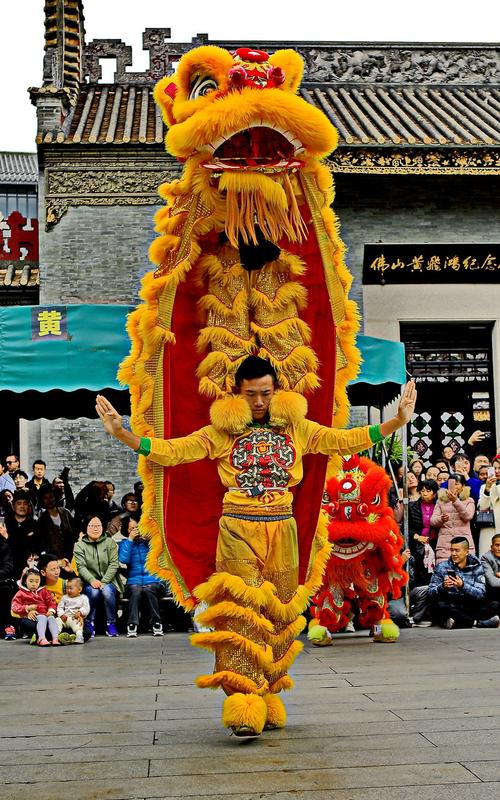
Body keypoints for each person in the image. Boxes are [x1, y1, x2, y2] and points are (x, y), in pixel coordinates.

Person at [96, 355, 416, 736]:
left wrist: (396, 422)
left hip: (283, 528)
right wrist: (123, 434)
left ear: (276, 391)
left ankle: (267, 691)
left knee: (279, 614)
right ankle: (242, 698)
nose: (260, 402)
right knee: (240, 612)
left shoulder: (297, 428)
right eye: (251, 395)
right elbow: (174, 450)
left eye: (265, 393)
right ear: (237, 393)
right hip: (237, 530)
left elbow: (342, 439)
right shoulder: (222, 432)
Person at [427, 536, 493, 629]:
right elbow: (430, 593)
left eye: (457, 550)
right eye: (452, 550)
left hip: (469, 603)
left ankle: (457, 621)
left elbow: (481, 594)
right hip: (449, 603)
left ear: (466, 552)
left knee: (494, 604)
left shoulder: (476, 567)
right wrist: (443, 586)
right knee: (440, 606)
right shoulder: (442, 567)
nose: (453, 554)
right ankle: (477, 622)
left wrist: (462, 586)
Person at [73, 516, 122, 637]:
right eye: (92, 526)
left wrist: (104, 581)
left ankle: (111, 623)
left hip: (109, 581)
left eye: (98, 526)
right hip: (89, 582)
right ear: (86, 527)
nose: (96, 529)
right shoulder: (80, 545)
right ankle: (90, 623)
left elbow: (114, 564)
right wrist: (92, 580)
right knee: (93, 592)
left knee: (107, 591)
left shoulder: (110, 542)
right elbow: (81, 567)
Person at [118, 517, 165, 637]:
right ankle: (132, 624)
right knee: (136, 590)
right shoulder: (125, 543)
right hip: (135, 581)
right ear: (127, 530)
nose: (136, 531)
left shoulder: (151, 542)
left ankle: (156, 623)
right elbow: (123, 559)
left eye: (138, 528)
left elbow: (161, 556)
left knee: (149, 589)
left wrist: (150, 540)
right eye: (132, 529)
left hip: (154, 579)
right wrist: (130, 540)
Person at [431, 472, 475, 564]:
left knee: (465, 574)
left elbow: (467, 516)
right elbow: (432, 521)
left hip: (463, 543)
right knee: (444, 574)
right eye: (451, 484)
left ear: (463, 486)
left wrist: (455, 501)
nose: (454, 486)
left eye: (457, 484)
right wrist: (441, 519)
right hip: (445, 546)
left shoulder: (469, 501)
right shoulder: (441, 501)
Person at [11, 568, 60, 645]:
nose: (34, 584)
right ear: (25, 581)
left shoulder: (43, 591)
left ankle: (55, 639)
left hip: (46, 615)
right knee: (42, 618)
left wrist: (51, 610)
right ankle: (41, 638)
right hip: (33, 618)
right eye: (31, 581)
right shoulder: (21, 593)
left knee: (52, 619)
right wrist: (27, 608)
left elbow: (51, 602)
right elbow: (14, 606)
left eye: (37, 581)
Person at [4, 490, 39, 579]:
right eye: (19, 503)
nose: (22, 506)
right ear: (13, 506)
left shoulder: (35, 524)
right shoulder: (5, 523)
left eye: (25, 503)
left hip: (27, 568)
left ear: (29, 506)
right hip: (6, 567)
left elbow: (35, 547)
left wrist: (8, 537)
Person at [37, 486, 77, 561]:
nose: (49, 500)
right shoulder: (41, 520)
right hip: (54, 558)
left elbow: (75, 531)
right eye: (45, 498)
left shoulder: (65, 513)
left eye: (51, 497)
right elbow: (42, 542)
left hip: (71, 555)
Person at [477, 456, 500, 556]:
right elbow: (482, 507)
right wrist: (487, 489)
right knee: (487, 560)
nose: (497, 471)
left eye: (499, 468)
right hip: (488, 528)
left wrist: (496, 486)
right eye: (494, 468)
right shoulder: (484, 486)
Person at [57, 576, 90, 644]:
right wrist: (61, 615)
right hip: (65, 619)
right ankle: (56, 635)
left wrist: (80, 612)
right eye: (67, 588)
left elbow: (86, 608)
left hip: (74, 618)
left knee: (78, 625)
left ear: (79, 589)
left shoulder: (83, 598)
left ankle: (79, 637)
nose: (68, 590)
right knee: (57, 620)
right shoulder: (64, 597)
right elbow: (60, 607)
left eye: (71, 588)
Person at [0, 518, 16, 639]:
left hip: (1, 581)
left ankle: (7, 626)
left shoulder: (3, 546)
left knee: (5, 589)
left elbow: (8, 567)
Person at [480, 533, 500, 617]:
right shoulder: (486, 558)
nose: (499, 549)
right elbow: (492, 582)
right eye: (497, 545)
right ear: (492, 547)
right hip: (493, 593)